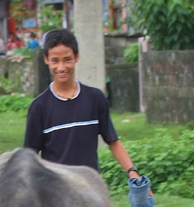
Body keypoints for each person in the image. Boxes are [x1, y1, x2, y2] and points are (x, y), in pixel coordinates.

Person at [23, 28, 145, 197]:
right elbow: (29, 156)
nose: (61, 67)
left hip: (91, 190)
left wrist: (133, 173)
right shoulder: (39, 107)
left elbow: (113, 141)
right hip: (55, 193)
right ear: (46, 60)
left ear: (77, 57)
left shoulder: (95, 98)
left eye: (67, 60)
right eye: (55, 61)